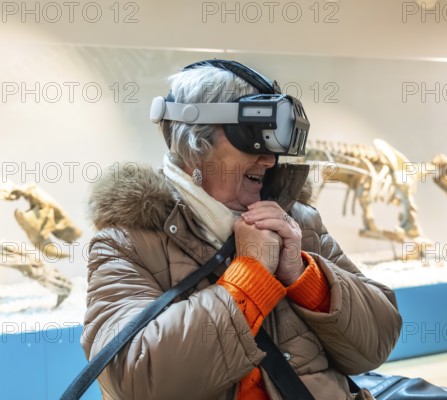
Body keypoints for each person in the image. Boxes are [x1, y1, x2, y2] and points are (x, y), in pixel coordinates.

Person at [81, 59, 402, 399]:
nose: (269, 160)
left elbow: (377, 344)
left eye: (275, 141)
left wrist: (305, 278)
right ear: (195, 142)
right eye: (253, 137)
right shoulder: (126, 243)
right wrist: (250, 276)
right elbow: (135, 381)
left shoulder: (298, 222)